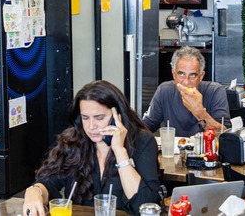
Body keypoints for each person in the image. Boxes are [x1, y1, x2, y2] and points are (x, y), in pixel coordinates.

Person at [23, 81, 160, 215]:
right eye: (85, 118)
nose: (91, 126)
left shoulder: (142, 142)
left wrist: (119, 151)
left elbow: (144, 205)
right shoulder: (74, 140)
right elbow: (49, 182)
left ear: (117, 117)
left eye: (99, 118)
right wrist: (36, 191)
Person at [142, 46, 229, 137]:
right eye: (181, 74)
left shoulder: (216, 91)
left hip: (206, 150)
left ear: (201, 76)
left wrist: (199, 111)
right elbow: (147, 125)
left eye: (192, 75)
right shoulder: (164, 90)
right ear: (173, 74)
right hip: (173, 150)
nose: (186, 82)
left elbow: (224, 135)